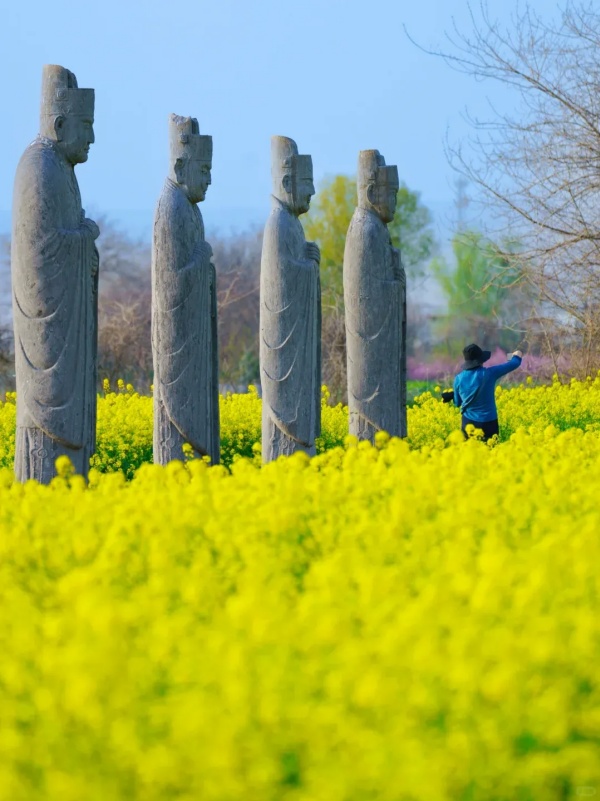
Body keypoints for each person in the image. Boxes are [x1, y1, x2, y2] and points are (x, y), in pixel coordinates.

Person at [442, 344, 523, 441]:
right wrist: (516, 354)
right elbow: (514, 363)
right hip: (489, 423)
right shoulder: (490, 373)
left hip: (468, 423)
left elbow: (457, 403)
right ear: (481, 360)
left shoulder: (458, 379)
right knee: (491, 453)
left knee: (469, 454)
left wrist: (453, 395)